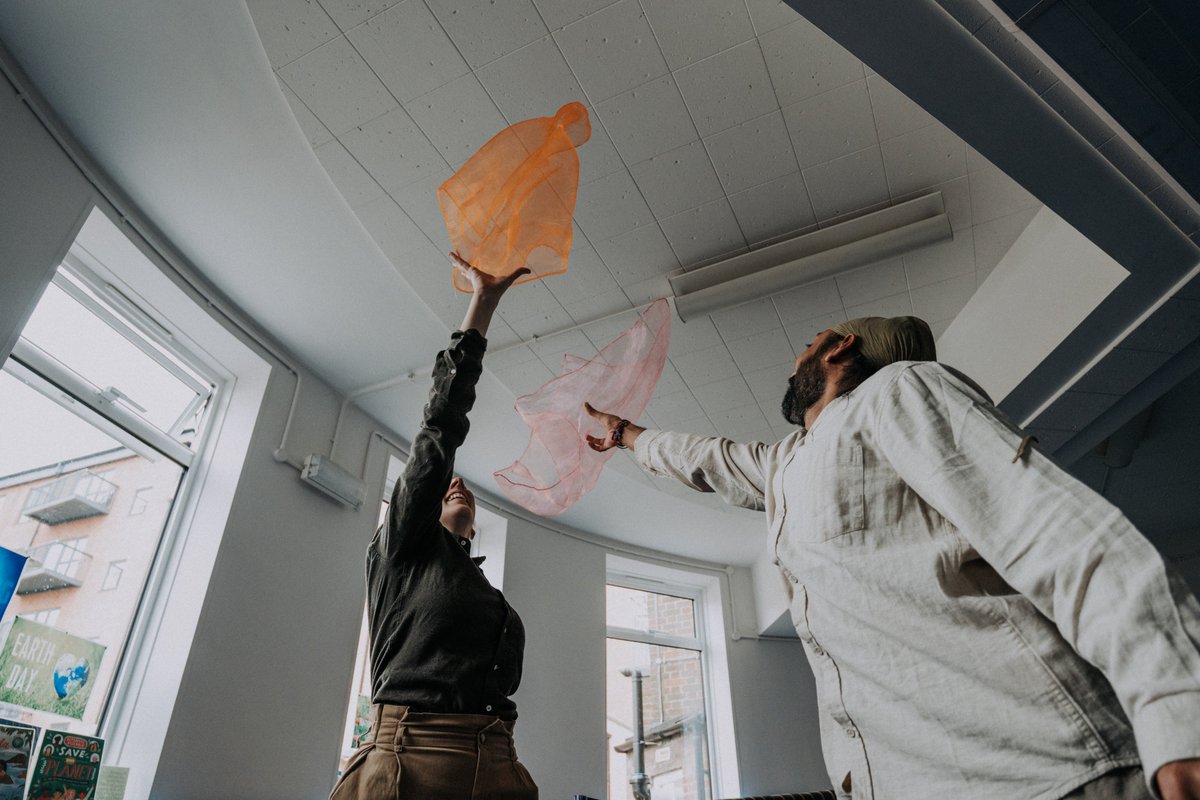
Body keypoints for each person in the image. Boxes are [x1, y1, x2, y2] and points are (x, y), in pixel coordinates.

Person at [586, 315, 1200, 800]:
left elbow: (1044, 523)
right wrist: (625, 435)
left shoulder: (900, 390)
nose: (791, 362)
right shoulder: (787, 464)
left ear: (838, 350)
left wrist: (1179, 709)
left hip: (1047, 772)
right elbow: (708, 458)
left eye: (804, 345)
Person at [331, 255, 536, 800]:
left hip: (497, 764)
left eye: (459, 490)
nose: (456, 488)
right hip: (412, 765)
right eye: (444, 488)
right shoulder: (401, 551)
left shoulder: (479, 586)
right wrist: (483, 304)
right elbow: (438, 433)